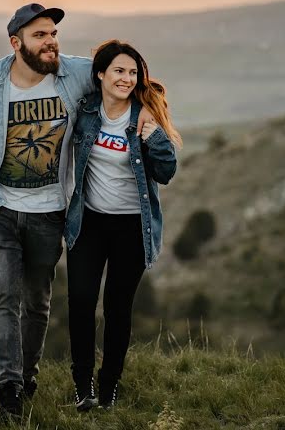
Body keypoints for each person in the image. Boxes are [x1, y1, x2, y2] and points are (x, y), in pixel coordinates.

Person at [0, 5, 155, 422]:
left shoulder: (75, 72)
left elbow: (123, 80)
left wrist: (146, 109)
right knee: (3, 293)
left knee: (38, 302)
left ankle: (27, 378)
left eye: (53, 33)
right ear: (16, 43)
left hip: (50, 211)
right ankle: (8, 390)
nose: (50, 42)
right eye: (40, 35)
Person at [64, 40, 181, 412]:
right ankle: (83, 385)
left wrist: (152, 135)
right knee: (81, 301)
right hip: (90, 222)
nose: (126, 79)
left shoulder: (143, 118)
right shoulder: (84, 113)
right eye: (118, 70)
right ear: (100, 73)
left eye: (132, 72)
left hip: (132, 227)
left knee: (117, 307)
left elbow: (166, 171)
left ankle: (109, 384)